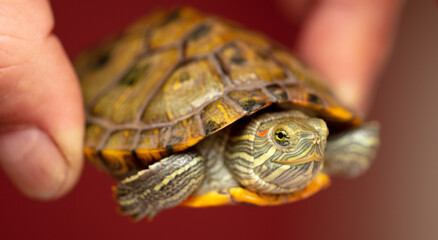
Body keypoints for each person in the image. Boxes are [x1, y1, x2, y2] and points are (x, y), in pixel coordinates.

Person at [0, 0, 404, 200]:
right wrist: (151, 190)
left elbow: (340, 133)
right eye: (282, 137)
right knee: (187, 165)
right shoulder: (199, 159)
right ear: (255, 135)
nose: (312, 144)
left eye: (313, 134)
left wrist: (345, 140)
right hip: (72, 50)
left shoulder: (310, 140)